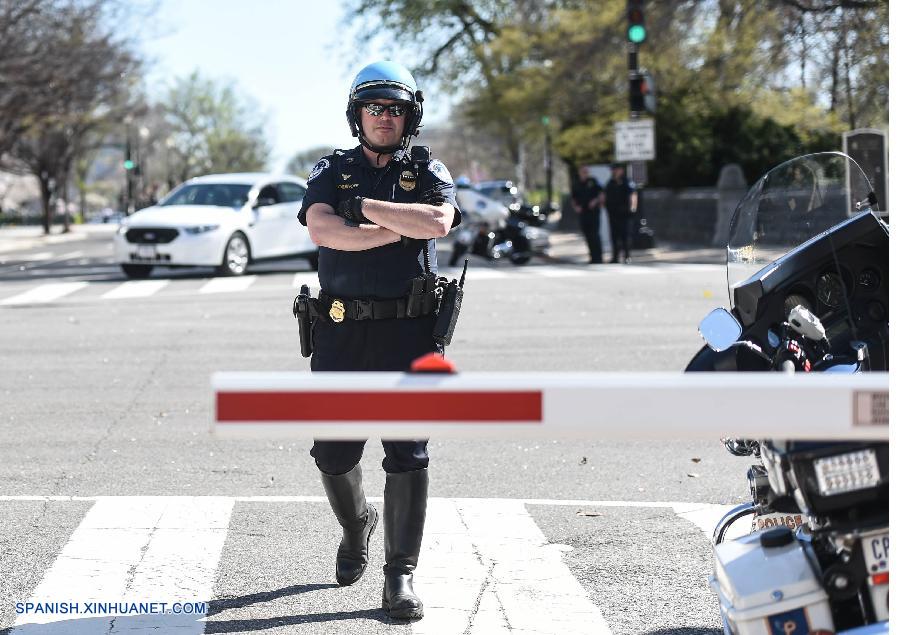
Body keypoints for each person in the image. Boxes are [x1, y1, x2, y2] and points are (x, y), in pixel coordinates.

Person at [296, 60, 461, 622]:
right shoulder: (331, 167)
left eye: (394, 109)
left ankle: (400, 576)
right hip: (339, 332)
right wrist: (395, 228)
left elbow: (437, 222)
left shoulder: (428, 168)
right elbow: (321, 229)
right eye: (375, 108)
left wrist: (364, 211)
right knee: (334, 454)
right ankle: (356, 523)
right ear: (357, 115)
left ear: (409, 116)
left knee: (407, 451)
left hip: (409, 331)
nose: (384, 118)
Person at [605, 163, 638, 263]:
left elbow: (633, 194)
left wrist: (633, 208)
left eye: (615, 169)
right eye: (612, 170)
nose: (613, 172)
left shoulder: (627, 182)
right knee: (614, 236)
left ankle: (627, 256)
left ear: (620, 170)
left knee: (625, 235)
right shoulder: (610, 182)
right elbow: (605, 195)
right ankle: (615, 257)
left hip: (625, 214)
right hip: (613, 213)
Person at [571, 165, 605, 263]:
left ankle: (598, 258)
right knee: (587, 235)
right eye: (583, 171)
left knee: (595, 235)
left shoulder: (593, 181)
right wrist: (576, 207)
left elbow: (601, 193)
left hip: (593, 212)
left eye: (586, 171)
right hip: (583, 212)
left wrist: (596, 201)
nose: (585, 173)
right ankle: (592, 257)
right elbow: (573, 198)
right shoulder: (576, 183)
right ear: (579, 172)